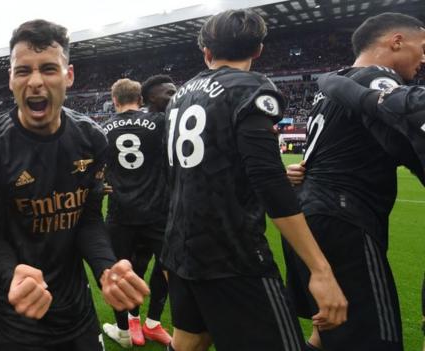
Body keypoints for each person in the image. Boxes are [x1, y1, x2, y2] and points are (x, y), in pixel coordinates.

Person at [162, 9, 347, 351]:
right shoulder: (251, 87)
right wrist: (320, 268)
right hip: (232, 253)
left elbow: (190, 171)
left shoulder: (181, 94)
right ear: (258, 50)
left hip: (180, 247)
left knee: (189, 342)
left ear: (206, 52)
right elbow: (268, 182)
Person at [0, 19, 149, 351]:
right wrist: (11, 275)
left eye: (48, 68)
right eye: (23, 71)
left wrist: (106, 267)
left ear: (69, 75)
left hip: (76, 308)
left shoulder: (92, 139)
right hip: (16, 310)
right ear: (10, 79)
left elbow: (88, 220)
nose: (35, 82)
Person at [284, 12, 425, 350]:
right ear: (396, 41)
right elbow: (404, 122)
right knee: (373, 340)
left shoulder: (332, 86)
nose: (423, 58)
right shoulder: (378, 77)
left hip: (308, 216)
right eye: (422, 47)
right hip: (345, 219)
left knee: (326, 334)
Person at [100, 78, 172, 348]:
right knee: (166, 268)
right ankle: (152, 323)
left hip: (120, 214)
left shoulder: (102, 129)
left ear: (114, 100)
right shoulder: (159, 122)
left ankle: (124, 330)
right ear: (140, 100)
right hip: (158, 211)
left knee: (120, 273)